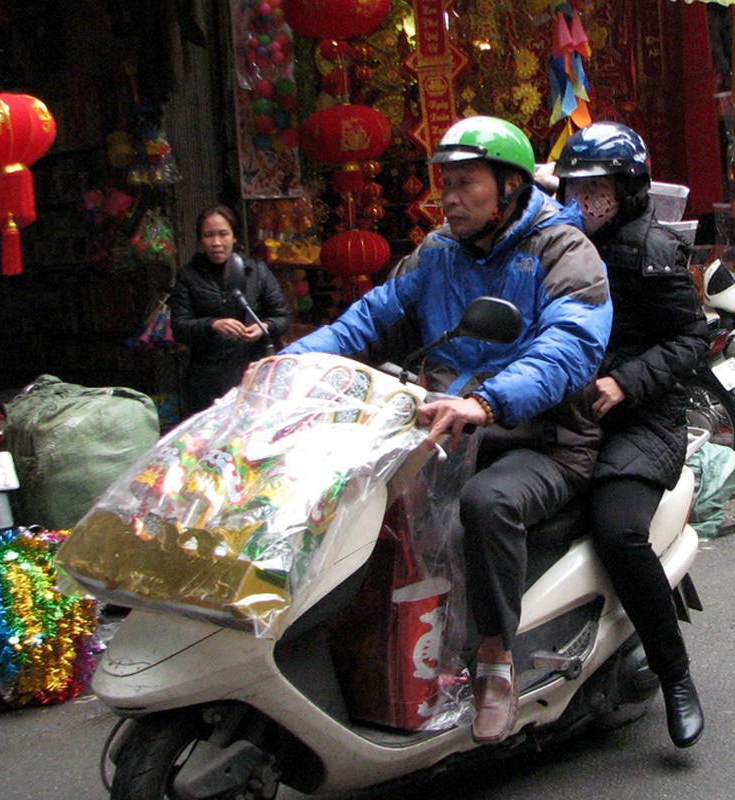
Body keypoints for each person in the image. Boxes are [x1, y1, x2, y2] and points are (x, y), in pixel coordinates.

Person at [283, 116, 612, 744]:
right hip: (443, 430)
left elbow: (571, 345)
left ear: (510, 186)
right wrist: (290, 364)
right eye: (445, 185)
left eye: (466, 184)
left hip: (544, 439)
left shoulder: (566, 251)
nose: (450, 199)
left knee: (485, 505)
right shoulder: (437, 253)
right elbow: (367, 318)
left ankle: (494, 661)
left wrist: (487, 402)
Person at [554, 121, 709, 748]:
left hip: (645, 421)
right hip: (567, 416)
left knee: (618, 531)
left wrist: (625, 382)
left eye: (601, 188)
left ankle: (674, 676)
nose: (589, 199)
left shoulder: (654, 249)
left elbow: (693, 338)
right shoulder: (558, 243)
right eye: (579, 187)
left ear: (629, 187)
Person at [170, 205, 293, 415]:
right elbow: (179, 326)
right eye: (209, 235)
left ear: (234, 237)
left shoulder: (256, 272)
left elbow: (283, 317)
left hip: (252, 376)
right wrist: (213, 325)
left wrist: (264, 327)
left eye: (223, 234)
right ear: (201, 239)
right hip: (207, 381)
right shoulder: (189, 276)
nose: (216, 243)